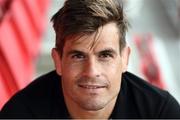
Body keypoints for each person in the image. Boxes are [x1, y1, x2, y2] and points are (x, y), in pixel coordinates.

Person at [1, 0, 180, 119]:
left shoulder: (160, 113)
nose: (92, 71)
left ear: (125, 58)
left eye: (105, 55)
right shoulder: (21, 114)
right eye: (78, 56)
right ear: (58, 61)